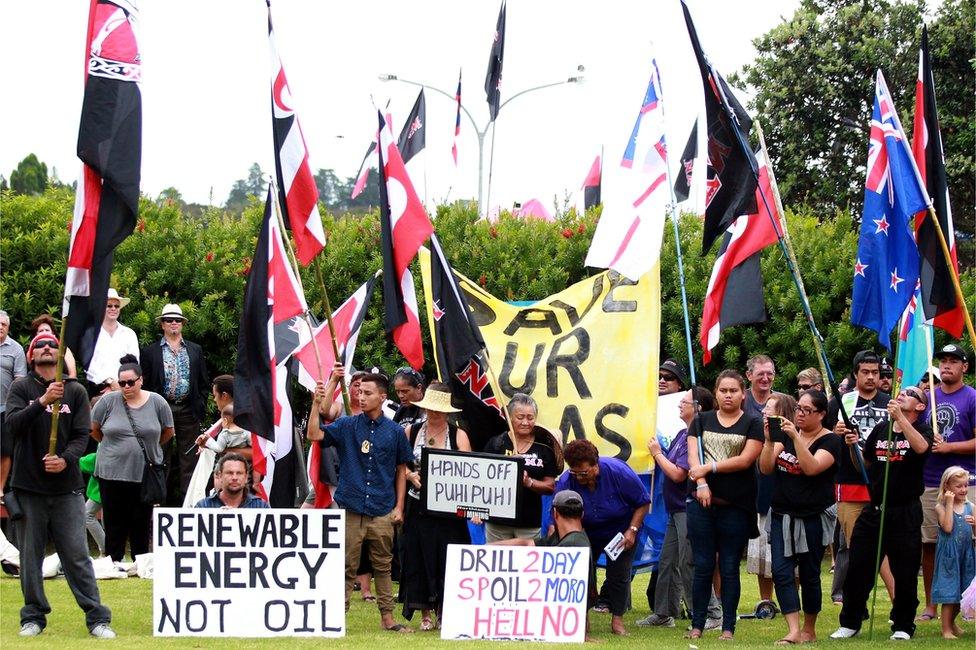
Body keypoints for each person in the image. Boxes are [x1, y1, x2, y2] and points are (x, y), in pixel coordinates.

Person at [5, 332, 114, 638]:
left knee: (77, 555)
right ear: (31, 356)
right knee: (30, 558)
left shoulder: (75, 391)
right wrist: (42, 402)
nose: (47, 348)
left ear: (61, 353)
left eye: (53, 344)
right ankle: (33, 617)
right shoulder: (20, 387)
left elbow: (82, 435)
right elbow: (12, 425)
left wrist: (65, 459)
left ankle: (97, 618)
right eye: (39, 345)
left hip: (67, 489)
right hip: (29, 489)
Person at [307, 371, 414, 633]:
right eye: (359, 392)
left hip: (382, 507)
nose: (361, 397)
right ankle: (337, 616)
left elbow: (402, 469)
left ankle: (388, 619)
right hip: (351, 506)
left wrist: (399, 507)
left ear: (382, 397)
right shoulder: (347, 425)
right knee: (346, 564)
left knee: (383, 566)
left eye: (367, 393)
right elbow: (314, 435)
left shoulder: (395, 431)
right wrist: (314, 405)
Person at [831, 386, 932, 640]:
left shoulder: (922, 430)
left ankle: (902, 625)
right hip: (874, 509)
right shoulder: (879, 429)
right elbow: (865, 463)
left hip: (905, 510)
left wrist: (900, 419)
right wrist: (853, 447)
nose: (902, 394)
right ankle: (850, 622)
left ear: (920, 406)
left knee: (905, 571)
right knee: (858, 567)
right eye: (903, 392)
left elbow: (920, 448)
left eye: (910, 394)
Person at [686, 369, 763, 641]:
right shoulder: (700, 419)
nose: (728, 395)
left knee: (729, 566)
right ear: (716, 393)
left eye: (733, 390)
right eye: (723, 390)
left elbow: (745, 460)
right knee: (703, 564)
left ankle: (728, 627)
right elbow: (693, 457)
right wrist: (702, 483)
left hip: (736, 506)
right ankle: (697, 624)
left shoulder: (753, 422)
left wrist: (710, 467)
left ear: (743, 394)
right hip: (701, 503)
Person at [760, 389, 841, 644]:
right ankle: (793, 630)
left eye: (807, 410)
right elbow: (765, 467)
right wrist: (770, 441)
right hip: (782, 514)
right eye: (798, 409)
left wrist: (796, 437)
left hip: (811, 518)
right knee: (782, 573)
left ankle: (809, 628)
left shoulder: (830, 441)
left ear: (821, 414)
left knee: (809, 574)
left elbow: (811, 468)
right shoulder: (785, 437)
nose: (801, 415)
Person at [639, 387, 721, 630]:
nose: (679, 405)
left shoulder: (696, 438)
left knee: (690, 561)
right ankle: (664, 612)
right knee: (667, 561)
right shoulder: (680, 435)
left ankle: (711, 614)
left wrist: (657, 455)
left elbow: (677, 473)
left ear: (699, 408)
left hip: (690, 507)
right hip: (675, 510)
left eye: (684, 402)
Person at [556, 439, 650, 636]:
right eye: (574, 472)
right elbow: (559, 514)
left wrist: (632, 530)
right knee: (583, 573)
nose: (579, 477)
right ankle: (583, 619)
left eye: (584, 472)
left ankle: (618, 620)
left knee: (619, 574)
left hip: (621, 530)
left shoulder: (618, 472)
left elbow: (642, 502)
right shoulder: (567, 480)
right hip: (586, 531)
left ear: (595, 464)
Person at [399, 382, 472, 630]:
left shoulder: (458, 435)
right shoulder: (411, 431)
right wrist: (410, 476)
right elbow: (401, 465)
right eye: (431, 408)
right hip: (417, 506)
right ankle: (425, 615)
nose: (434, 413)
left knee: (447, 559)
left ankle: (444, 611)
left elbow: (470, 473)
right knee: (418, 557)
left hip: (449, 510)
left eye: (440, 410)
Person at [824, 349, 893, 605]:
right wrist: (834, 431)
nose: (871, 377)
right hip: (849, 481)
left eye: (875, 372)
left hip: (882, 481)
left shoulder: (890, 402)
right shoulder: (842, 402)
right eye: (865, 372)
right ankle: (857, 602)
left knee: (884, 545)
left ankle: (897, 599)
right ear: (855, 374)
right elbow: (823, 441)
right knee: (858, 547)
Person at [90, 354, 174, 562]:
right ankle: (114, 561)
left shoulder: (157, 402)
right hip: (111, 472)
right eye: (122, 383)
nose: (126, 387)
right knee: (114, 520)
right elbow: (94, 430)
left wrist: (149, 448)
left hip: (144, 472)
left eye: (130, 382)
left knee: (141, 520)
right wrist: (114, 447)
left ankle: (141, 562)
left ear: (141, 380)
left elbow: (167, 432)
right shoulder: (108, 401)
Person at [492, 490, 599, 639]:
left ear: (554, 513)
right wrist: (488, 548)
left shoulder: (573, 545)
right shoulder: (564, 537)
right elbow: (528, 543)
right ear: (581, 514)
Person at [918, 344, 975, 623]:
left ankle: (969, 603)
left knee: (969, 542)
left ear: (964, 367)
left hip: (967, 482)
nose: (947, 366)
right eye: (943, 361)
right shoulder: (929, 397)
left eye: (954, 361)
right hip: (931, 483)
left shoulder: (973, 398)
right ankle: (931, 604)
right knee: (930, 543)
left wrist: (950, 448)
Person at [140, 303, 209, 505]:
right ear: (162, 324)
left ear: (183, 324)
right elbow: (145, 382)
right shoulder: (150, 351)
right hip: (160, 409)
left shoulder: (195, 350)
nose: (173, 323)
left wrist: (200, 405)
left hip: (188, 409)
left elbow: (203, 381)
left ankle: (190, 506)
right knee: (160, 458)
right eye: (169, 320)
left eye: (177, 320)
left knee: (190, 459)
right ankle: (158, 506)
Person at [482, 393, 560, 541]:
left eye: (530, 418)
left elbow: (550, 486)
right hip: (497, 520)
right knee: (497, 562)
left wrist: (529, 482)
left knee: (527, 563)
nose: (525, 422)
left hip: (529, 522)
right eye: (520, 417)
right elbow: (483, 479)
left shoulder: (544, 447)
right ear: (510, 417)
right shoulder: (496, 443)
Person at [743, 355, 778, 609]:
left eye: (770, 373)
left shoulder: (782, 402)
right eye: (760, 373)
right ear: (749, 376)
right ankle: (721, 602)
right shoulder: (739, 400)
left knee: (771, 547)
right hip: (742, 481)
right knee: (750, 549)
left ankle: (774, 601)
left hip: (773, 483)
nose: (765, 378)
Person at [932, 465, 976, 639]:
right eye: (959, 486)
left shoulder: (970, 506)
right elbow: (948, 527)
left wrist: (975, 524)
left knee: (963, 591)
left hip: (966, 554)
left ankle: (953, 623)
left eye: (965, 485)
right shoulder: (940, 507)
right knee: (949, 591)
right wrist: (949, 503)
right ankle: (946, 630)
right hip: (949, 556)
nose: (964, 489)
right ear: (947, 487)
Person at [85, 288, 140, 394]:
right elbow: (88, 365)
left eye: (116, 306)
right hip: (98, 390)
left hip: (126, 388)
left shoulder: (129, 334)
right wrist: (110, 382)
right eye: (109, 306)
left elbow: (134, 364)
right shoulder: (91, 334)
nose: (113, 308)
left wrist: (120, 385)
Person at [1, 309, 28, 499]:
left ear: (8, 327)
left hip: (4, 408)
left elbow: (20, 379)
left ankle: (0, 489)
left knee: (4, 450)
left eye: (3, 324)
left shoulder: (16, 349)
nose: (0, 327)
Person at [194, 453, 270, 508]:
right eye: (229, 473)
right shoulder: (203, 507)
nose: (234, 477)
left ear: (246, 477)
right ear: (220, 476)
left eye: (239, 473)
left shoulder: (260, 507)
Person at [30, 314, 77, 378]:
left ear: (53, 333)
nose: (44, 332)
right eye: (41, 331)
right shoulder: (32, 350)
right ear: (36, 335)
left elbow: (72, 374)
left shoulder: (64, 348)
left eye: (47, 330)